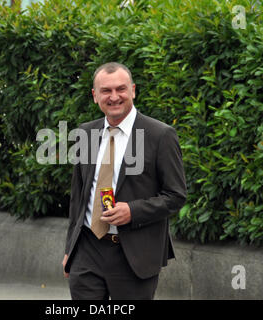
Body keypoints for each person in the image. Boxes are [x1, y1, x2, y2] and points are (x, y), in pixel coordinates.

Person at [62, 62, 187, 300]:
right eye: (106, 91)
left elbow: (176, 195)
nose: (114, 97)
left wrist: (133, 211)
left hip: (134, 254)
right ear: (95, 96)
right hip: (87, 250)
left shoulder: (160, 135)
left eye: (121, 89)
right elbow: (78, 198)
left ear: (133, 91)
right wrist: (70, 250)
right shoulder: (85, 134)